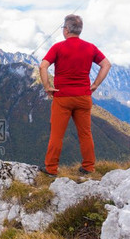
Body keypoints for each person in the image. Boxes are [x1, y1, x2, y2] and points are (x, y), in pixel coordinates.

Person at [39, 14, 111, 176]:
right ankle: (88, 167)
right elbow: (106, 64)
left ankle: (51, 169)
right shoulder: (90, 47)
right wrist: (95, 85)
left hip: (62, 97)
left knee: (57, 135)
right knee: (85, 134)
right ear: (79, 30)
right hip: (84, 97)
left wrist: (47, 86)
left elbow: (43, 66)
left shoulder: (58, 47)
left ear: (66, 30)